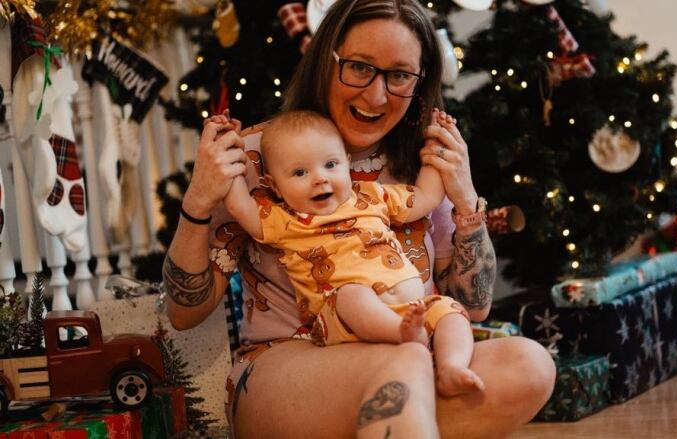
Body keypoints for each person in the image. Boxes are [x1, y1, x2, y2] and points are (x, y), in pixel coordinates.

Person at [163, 0, 556, 437]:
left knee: (530, 364)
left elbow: (473, 305)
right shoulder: (261, 154)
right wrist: (197, 202)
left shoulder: (422, 162)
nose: (375, 95)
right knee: (402, 361)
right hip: (289, 367)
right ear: (325, 59)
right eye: (359, 67)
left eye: (400, 75)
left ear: (420, 82)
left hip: (416, 348)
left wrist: (466, 202)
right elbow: (183, 312)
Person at [220, 108, 485, 397]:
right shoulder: (283, 219)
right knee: (351, 295)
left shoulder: (372, 196)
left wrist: (436, 149)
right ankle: (400, 334)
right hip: (343, 321)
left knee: (451, 311)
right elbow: (238, 205)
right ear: (275, 186)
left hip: (411, 310)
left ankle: (451, 368)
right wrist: (230, 150)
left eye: (330, 164)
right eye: (300, 172)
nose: (319, 179)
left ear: (347, 164)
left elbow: (426, 196)